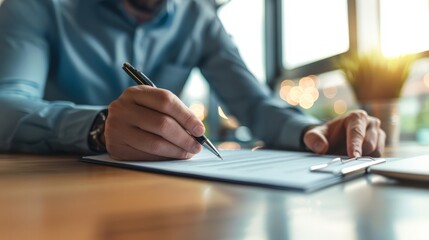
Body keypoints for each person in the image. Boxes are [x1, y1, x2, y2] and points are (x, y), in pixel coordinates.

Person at [0, 0, 385, 161]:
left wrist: (312, 131)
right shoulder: (38, 6)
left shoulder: (198, 18)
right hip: (51, 186)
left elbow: (252, 103)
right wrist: (97, 127)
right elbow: (7, 104)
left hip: (162, 190)